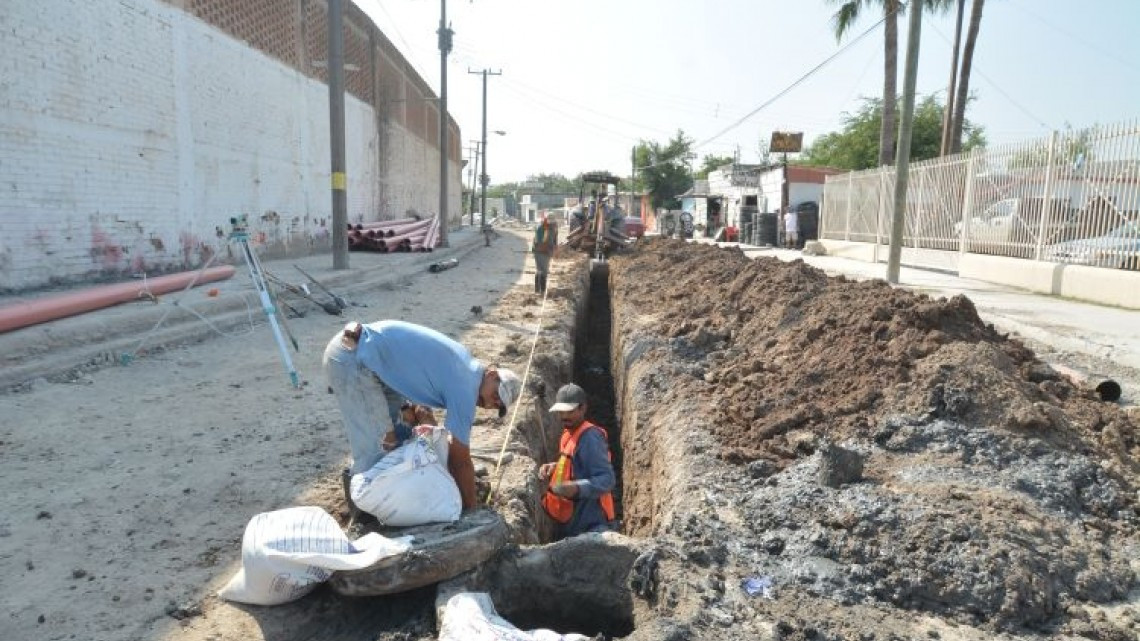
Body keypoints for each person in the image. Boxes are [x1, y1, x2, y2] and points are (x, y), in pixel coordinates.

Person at [323, 320, 521, 520]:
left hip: (371, 358)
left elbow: (417, 376)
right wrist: (471, 511)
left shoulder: (465, 367)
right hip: (352, 359)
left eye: (497, 406)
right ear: (492, 374)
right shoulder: (466, 389)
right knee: (379, 444)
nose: (489, 404)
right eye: (495, 395)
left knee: (402, 434)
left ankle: (379, 501)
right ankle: (362, 516)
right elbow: (460, 461)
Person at [539, 383, 616, 538]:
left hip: (593, 525)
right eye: (561, 412)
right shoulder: (569, 433)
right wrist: (556, 467)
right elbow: (574, 464)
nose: (564, 416)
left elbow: (607, 479)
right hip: (572, 520)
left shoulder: (590, 438)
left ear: (583, 408)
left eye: (569, 411)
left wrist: (577, 488)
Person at [532, 214, 558, 294]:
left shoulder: (551, 228)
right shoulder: (544, 228)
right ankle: (541, 290)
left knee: (541, 270)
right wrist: (550, 250)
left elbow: (554, 241)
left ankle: (538, 289)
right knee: (543, 271)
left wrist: (554, 249)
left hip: (541, 251)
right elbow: (542, 243)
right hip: (541, 251)